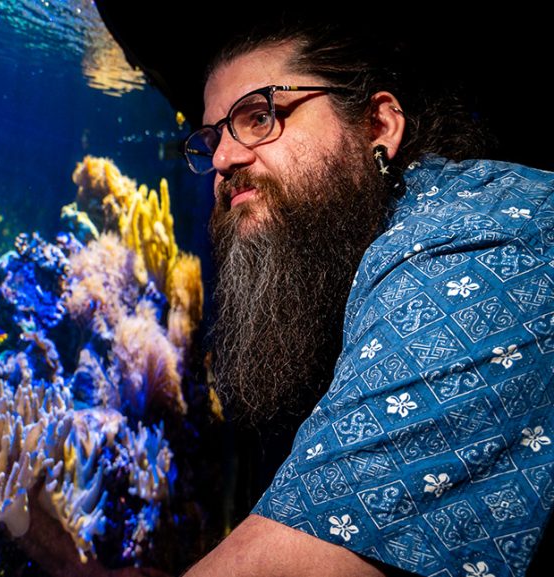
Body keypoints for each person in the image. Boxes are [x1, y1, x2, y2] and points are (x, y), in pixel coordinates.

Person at [181, 22, 554, 577]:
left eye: (259, 116)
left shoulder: (469, 242)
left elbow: (292, 563)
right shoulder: (373, 247)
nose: (224, 160)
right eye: (212, 140)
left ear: (378, 125)